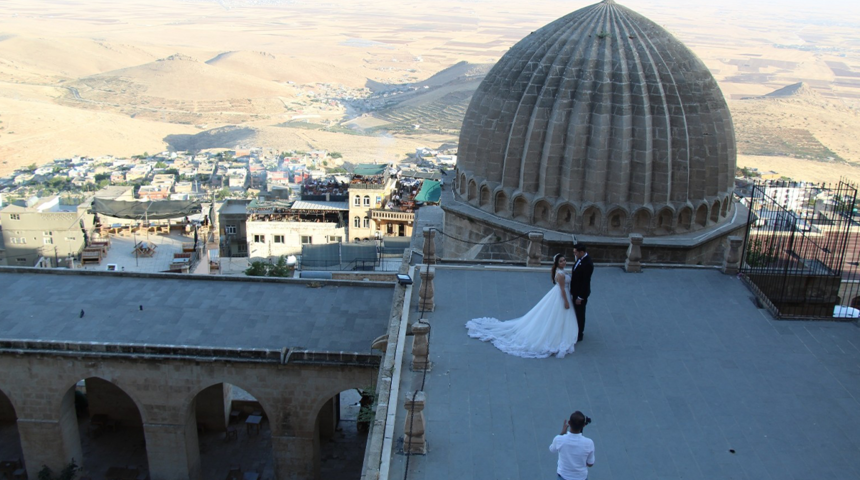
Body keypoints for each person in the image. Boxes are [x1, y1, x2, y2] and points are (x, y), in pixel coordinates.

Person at [465, 253, 578, 358]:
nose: (564, 262)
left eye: (564, 260)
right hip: (561, 296)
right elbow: (562, 289)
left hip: (557, 294)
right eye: (562, 261)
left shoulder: (559, 271)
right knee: (557, 314)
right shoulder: (561, 274)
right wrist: (566, 302)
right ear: (557, 263)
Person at [550, 411, 595, 480]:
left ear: (569, 423)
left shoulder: (559, 439)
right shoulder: (589, 443)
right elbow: (590, 463)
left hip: (563, 477)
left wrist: (562, 433)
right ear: (584, 425)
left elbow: (552, 449)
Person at [569, 243, 593, 342]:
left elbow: (585, 282)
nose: (574, 254)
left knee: (580, 313)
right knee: (576, 312)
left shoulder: (588, 264)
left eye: (576, 252)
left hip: (580, 294)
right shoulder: (580, 259)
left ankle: (579, 334)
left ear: (581, 252)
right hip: (575, 291)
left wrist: (580, 297)